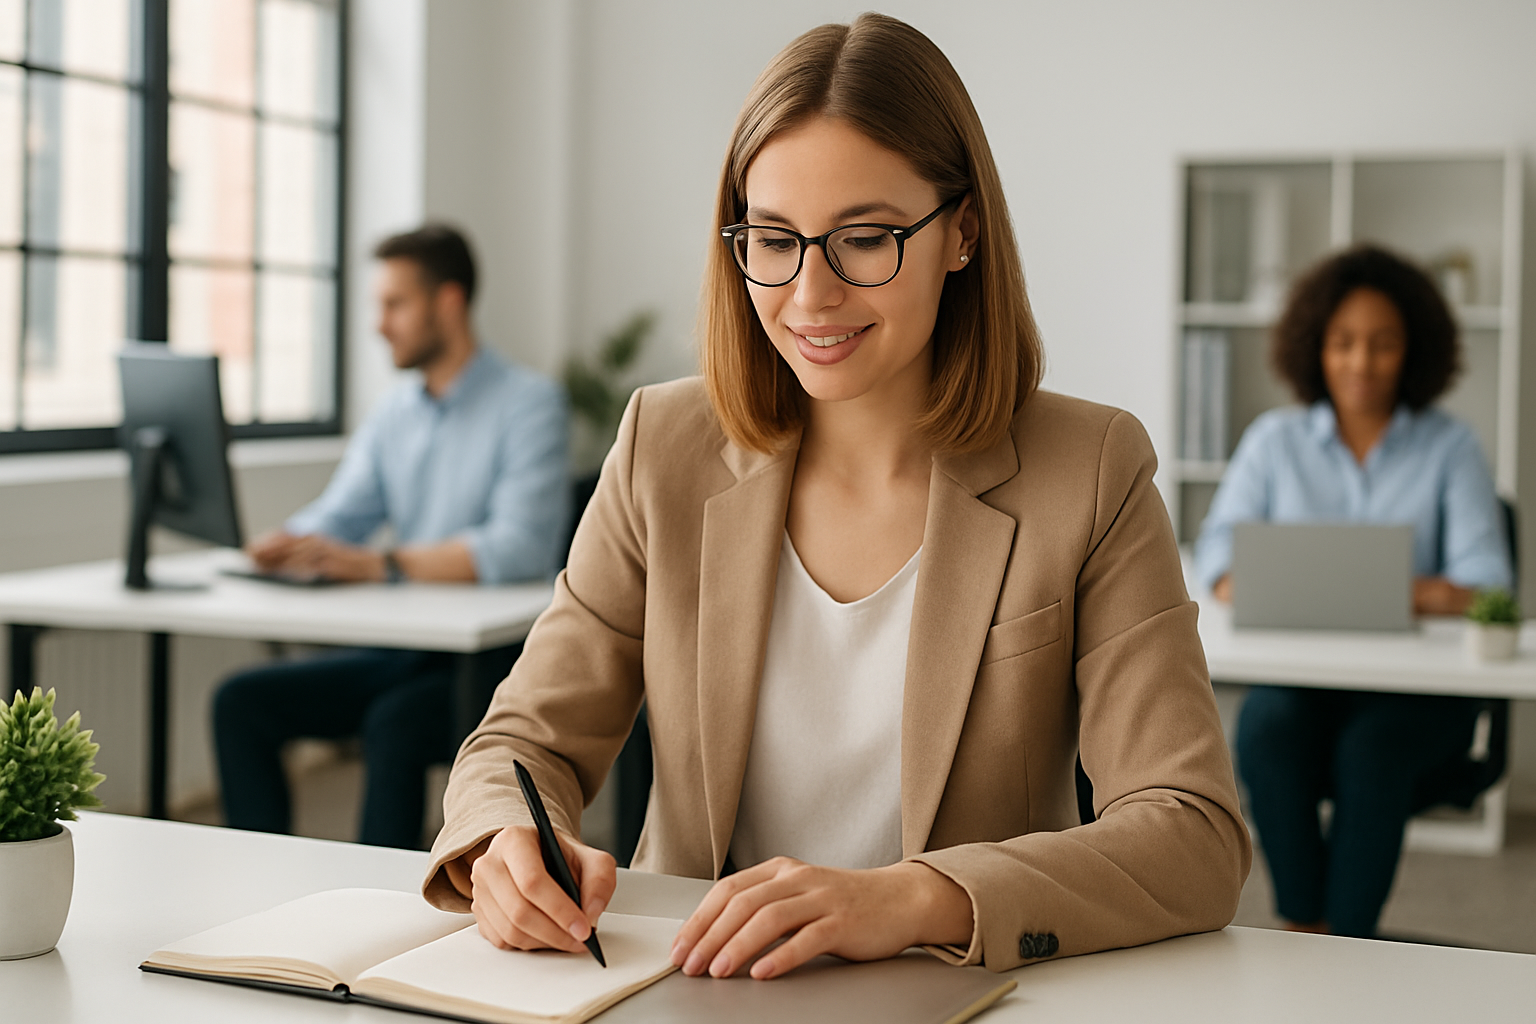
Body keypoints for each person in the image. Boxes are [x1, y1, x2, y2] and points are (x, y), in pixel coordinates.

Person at [422, 13, 1250, 977]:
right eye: (773, 239)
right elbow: (525, 740)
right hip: (698, 987)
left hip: (962, 992)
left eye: (865, 238)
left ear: (963, 233)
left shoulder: (1092, 466)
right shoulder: (664, 445)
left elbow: (1191, 834)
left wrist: (913, 897)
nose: (810, 294)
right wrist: (500, 845)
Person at [213, 223, 570, 850]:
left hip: (489, 659)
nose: (380, 324)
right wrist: (287, 541)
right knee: (241, 701)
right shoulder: (394, 413)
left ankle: (388, 910)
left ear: (448, 302)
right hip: (402, 646)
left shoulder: (530, 404)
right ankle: (257, 886)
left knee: (396, 723)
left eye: (394, 304)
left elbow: (520, 546)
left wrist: (382, 564)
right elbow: (343, 513)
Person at [1194, 244, 1514, 938]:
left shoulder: (1450, 448)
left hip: (1417, 695)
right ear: (1316, 347)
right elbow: (1214, 559)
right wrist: (1240, 581)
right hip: (1305, 682)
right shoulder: (1273, 442)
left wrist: (1384, 590)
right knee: (1265, 730)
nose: (1361, 363)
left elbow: (1488, 585)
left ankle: (1346, 939)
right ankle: (1304, 928)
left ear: (1414, 351)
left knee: (1372, 752)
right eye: (1343, 343)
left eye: (1382, 344)